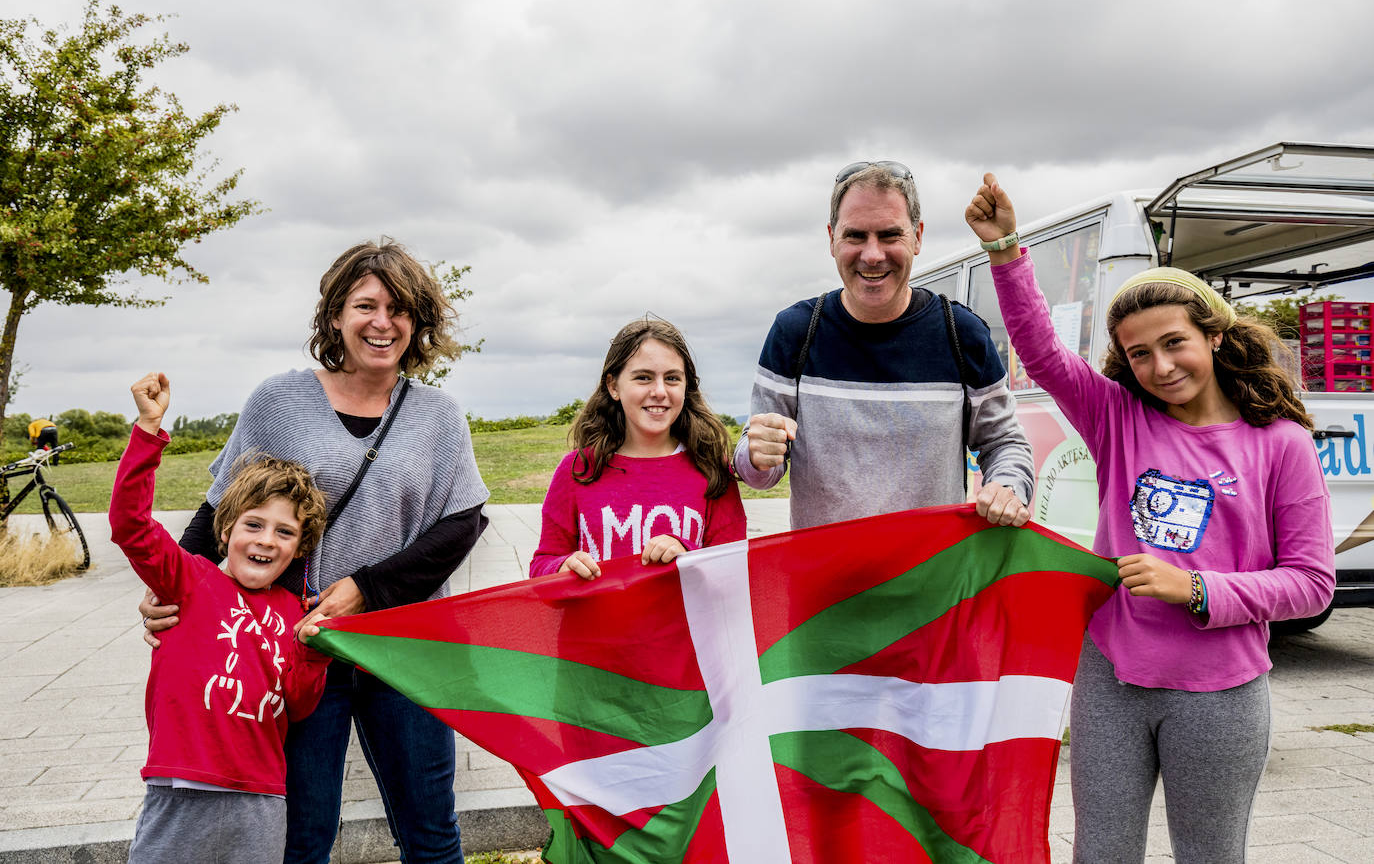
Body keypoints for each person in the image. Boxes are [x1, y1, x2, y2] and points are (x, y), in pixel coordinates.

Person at [966, 173, 1335, 862]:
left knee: (1209, 854)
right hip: (1111, 679)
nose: (1160, 366)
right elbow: (1041, 352)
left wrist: (1194, 589)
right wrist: (1006, 251)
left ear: (1214, 336)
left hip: (1222, 692)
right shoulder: (1117, 418)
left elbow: (1312, 584)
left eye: (1174, 343)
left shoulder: (1280, 444)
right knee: (1101, 852)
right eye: (1139, 354)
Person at [140, 240, 490, 864]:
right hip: (296, 648)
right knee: (302, 838)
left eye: (400, 309)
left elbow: (462, 524)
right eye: (366, 306)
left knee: (431, 834)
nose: (383, 322)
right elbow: (220, 509)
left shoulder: (437, 415)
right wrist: (173, 590)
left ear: (418, 322)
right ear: (335, 315)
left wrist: (367, 589)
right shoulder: (280, 402)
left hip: (406, 649)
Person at [733, 160, 1034, 529]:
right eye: (855, 236)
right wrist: (757, 455)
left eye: (890, 235)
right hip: (824, 569)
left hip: (933, 566)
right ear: (831, 239)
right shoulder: (794, 332)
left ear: (918, 237)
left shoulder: (963, 334)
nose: (873, 254)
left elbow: (1005, 443)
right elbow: (759, 471)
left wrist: (1007, 486)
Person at [112, 372, 331, 864]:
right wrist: (148, 431)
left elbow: (298, 706)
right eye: (254, 524)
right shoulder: (188, 579)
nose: (266, 540)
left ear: (300, 548)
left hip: (263, 797)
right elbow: (130, 526)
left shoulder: (294, 611)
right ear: (227, 528)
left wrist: (314, 656)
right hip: (182, 787)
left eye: (285, 532)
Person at [530, 318, 746, 579]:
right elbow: (541, 566)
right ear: (613, 386)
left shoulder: (711, 467)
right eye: (643, 378)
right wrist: (562, 566)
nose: (659, 391)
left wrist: (688, 554)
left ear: (686, 386)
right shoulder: (577, 469)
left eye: (672, 378)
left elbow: (733, 571)